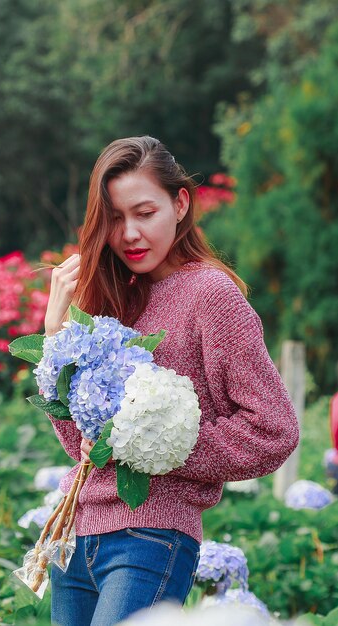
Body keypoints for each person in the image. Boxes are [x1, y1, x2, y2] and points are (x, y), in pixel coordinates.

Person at [43, 136, 300, 626]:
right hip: (74, 540)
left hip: (150, 540)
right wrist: (56, 337)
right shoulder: (118, 297)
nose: (129, 233)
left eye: (144, 212)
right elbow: (82, 444)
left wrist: (162, 443)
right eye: (115, 218)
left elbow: (274, 428)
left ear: (180, 204)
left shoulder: (211, 295)